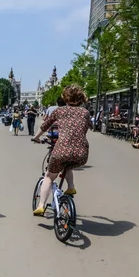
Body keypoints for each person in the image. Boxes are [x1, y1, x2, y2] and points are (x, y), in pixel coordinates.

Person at [32, 85, 90, 216]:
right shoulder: (85, 112)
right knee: (68, 165)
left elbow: (45, 125)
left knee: (48, 176)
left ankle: (41, 206)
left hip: (62, 149)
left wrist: (36, 137)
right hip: (81, 153)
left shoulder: (60, 111)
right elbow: (86, 128)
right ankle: (70, 187)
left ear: (65, 97)